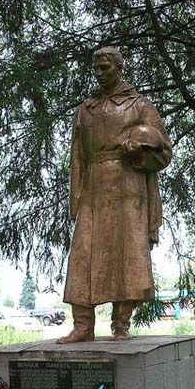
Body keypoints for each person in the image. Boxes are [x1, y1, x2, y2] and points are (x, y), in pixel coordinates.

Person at [58, 46, 172, 343]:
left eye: (105, 68)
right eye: (96, 68)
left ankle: (121, 324)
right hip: (93, 191)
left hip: (127, 186)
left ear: (119, 68)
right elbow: (77, 158)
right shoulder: (86, 108)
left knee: (127, 254)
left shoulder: (139, 105)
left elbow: (164, 151)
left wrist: (140, 147)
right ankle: (83, 325)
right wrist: (75, 197)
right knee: (82, 255)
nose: (99, 73)